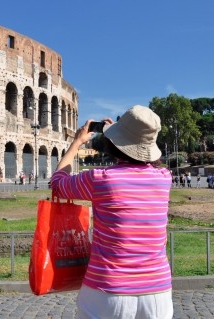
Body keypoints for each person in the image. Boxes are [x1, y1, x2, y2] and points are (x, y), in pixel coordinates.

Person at [50, 105, 173, 319]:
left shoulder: (100, 179)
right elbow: (142, 163)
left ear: (116, 142)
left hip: (108, 289)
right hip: (157, 290)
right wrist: (118, 135)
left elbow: (57, 183)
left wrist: (77, 142)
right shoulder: (164, 178)